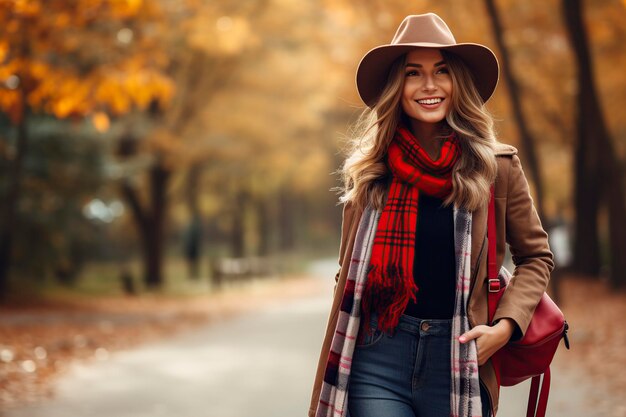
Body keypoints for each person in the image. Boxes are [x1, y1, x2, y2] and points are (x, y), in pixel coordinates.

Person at [308, 13, 554, 417]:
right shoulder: (370, 172)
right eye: (413, 73)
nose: (429, 85)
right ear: (396, 87)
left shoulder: (496, 168)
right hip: (377, 355)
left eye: (441, 71)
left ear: (457, 82)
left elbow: (536, 257)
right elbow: (346, 268)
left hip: (458, 354)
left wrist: (505, 327)